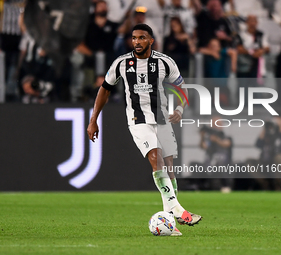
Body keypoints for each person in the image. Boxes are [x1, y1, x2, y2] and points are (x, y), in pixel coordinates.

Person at [87, 24, 202, 236]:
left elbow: (182, 87)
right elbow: (104, 89)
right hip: (138, 120)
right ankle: (178, 210)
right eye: (134, 38)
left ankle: (170, 218)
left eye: (142, 38)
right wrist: (94, 119)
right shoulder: (121, 63)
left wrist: (179, 108)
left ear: (151, 40)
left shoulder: (164, 62)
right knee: (156, 157)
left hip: (162, 119)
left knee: (168, 165)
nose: (137, 42)